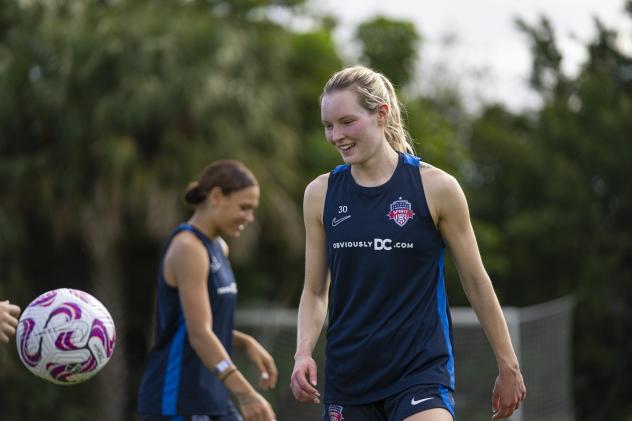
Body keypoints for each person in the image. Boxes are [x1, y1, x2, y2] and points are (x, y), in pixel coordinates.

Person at [290, 66, 526, 421]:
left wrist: (509, 365)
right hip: (348, 377)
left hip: (420, 373)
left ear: (381, 114)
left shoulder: (437, 188)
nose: (336, 135)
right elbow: (315, 292)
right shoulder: (319, 194)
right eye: (328, 125)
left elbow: (477, 282)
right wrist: (302, 353)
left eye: (347, 122)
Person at [138, 160, 277, 421]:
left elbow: (202, 323)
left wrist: (245, 342)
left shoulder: (218, 248)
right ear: (216, 197)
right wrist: (247, 394)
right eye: (244, 207)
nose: (249, 218)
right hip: (177, 401)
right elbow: (199, 333)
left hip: (211, 396)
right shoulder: (188, 248)